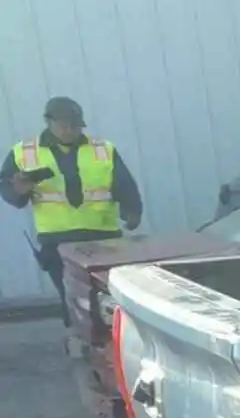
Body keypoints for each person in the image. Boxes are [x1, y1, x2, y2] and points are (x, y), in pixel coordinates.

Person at [2, 97, 143, 308]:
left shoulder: (103, 149)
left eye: (75, 126)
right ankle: (79, 337)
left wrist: (132, 211)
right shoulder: (23, 152)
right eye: (63, 125)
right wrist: (18, 192)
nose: (69, 131)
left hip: (104, 238)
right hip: (57, 242)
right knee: (73, 301)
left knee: (110, 297)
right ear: (48, 121)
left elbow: (124, 185)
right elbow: (8, 190)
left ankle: (108, 337)